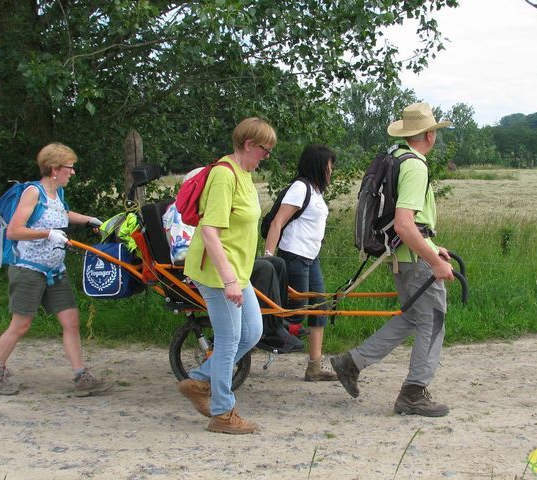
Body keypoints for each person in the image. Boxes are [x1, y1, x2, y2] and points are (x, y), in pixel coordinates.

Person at [330, 102, 455, 417]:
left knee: (413, 317)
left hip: (401, 255)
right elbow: (404, 223)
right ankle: (413, 393)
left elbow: (407, 224)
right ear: (428, 135)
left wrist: (433, 246)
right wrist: (436, 262)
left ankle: (351, 363)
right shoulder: (416, 166)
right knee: (433, 320)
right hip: (414, 258)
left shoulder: (395, 157)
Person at [0, 143, 113, 397]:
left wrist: (91, 219)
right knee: (21, 324)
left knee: (71, 320)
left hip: (55, 269)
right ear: (54, 169)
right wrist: (47, 233)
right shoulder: (33, 192)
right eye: (69, 168)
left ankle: (81, 377)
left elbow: (63, 213)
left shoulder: (57, 193)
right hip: (28, 269)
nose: (72, 172)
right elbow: (14, 231)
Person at [177, 117, 276, 434]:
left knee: (252, 332)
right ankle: (222, 414)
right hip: (218, 273)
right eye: (265, 149)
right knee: (230, 340)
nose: (267, 155)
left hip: (237, 272)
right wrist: (230, 280)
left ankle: (199, 380)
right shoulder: (224, 175)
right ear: (249, 145)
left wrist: (238, 277)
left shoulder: (245, 174)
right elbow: (209, 233)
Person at [263, 144, 337, 381]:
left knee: (320, 307)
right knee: (296, 310)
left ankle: (314, 366)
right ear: (318, 165)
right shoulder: (300, 188)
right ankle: (260, 336)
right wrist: (268, 257)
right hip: (293, 256)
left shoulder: (316, 191)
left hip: (311, 257)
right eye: (329, 165)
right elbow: (277, 223)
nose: (331, 170)